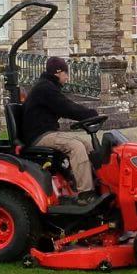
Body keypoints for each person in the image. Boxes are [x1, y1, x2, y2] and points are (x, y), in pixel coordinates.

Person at [19, 56, 99, 203]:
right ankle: (86, 194)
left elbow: (65, 106)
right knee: (76, 147)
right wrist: (90, 114)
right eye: (66, 73)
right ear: (58, 72)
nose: (67, 77)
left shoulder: (48, 87)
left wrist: (87, 115)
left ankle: (97, 185)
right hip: (39, 135)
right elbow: (66, 107)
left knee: (86, 144)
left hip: (46, 132)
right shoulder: (45, 88)